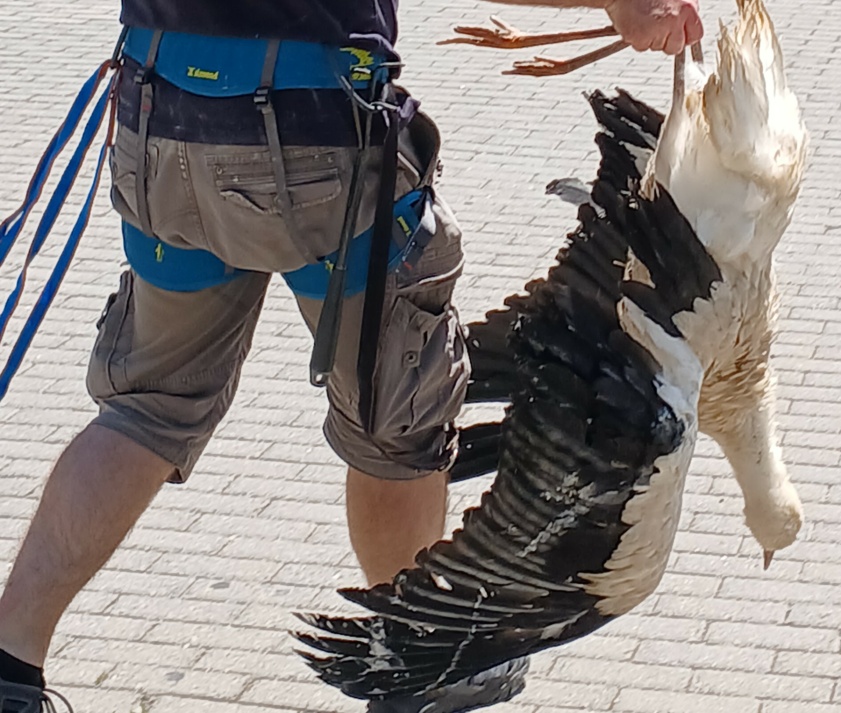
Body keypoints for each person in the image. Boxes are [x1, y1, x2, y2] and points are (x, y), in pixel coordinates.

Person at [0, 1, 702, 711]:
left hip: (161, 114)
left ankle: (10, 662)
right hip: (320, 138)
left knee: (142, 409)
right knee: (393, 429)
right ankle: (421, 669)